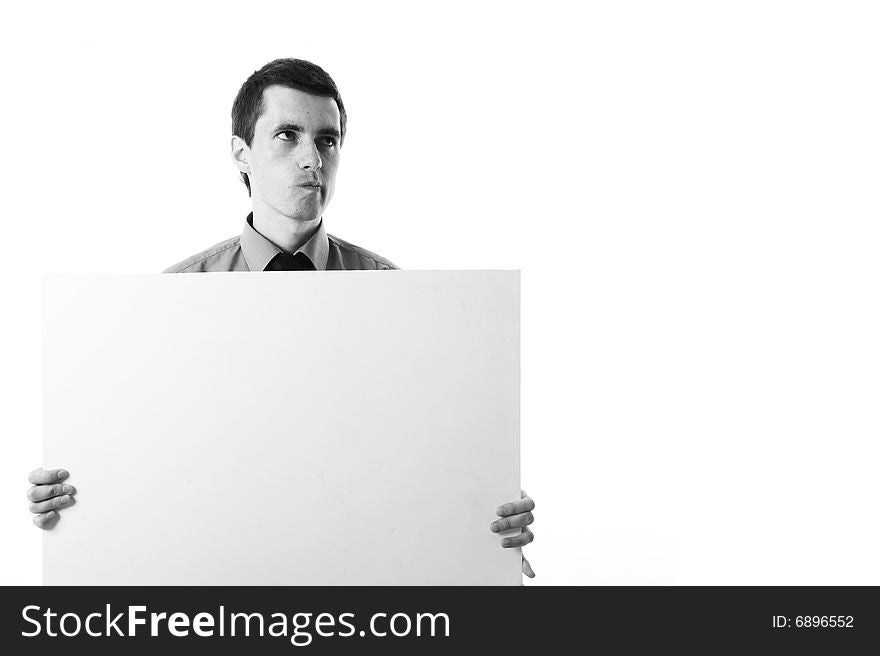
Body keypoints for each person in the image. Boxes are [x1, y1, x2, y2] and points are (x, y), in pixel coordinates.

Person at [27, 58, 536, 577]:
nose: (312, 158)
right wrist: (73, 498)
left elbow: (437, 450)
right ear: (241, 154)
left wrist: (485, 499)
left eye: (327, 140)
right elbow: (139, 458)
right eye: (288, 136)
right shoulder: (170, 305)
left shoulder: (398, 298)